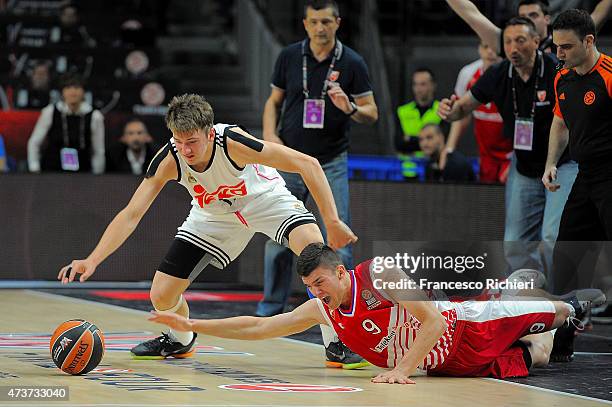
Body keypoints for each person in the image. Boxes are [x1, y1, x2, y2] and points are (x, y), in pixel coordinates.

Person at [57, 93, 357, 360]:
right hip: (213, 216)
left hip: (265, 201)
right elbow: (131, 214)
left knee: (317, 254)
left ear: (210, 134)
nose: (185, 150)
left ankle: (337, 342)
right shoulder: (170, 159)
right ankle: (180, 340)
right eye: (178, 141)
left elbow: (309, 164)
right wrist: (93, 259)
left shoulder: (234, 143)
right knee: (161, 295)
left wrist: (331, 219)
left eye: (192, 141)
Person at [148, 242, 605, 383]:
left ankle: (558, 303)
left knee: (553, 311)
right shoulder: (325, 309)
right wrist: (191, 323)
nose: (317, 293)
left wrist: (402, 370)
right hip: (445, 365)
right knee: (538, 357)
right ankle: (532, 310)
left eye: (321, 283)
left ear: (342, 272)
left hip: (461, 329)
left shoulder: (379, 274)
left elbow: (435, 321)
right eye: (309, 287)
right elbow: (261, 326)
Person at [258, 0, 378, 368]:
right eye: (314, 22)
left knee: (335, 239)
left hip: (331, 164)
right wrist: (268, 137)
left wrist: (350, 109)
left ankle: (347, 320)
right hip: (290, 161)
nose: (320, 28)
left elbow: (372, 113)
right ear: (305, 24)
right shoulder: (289, 57)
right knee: (278, 236)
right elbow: (273, 101)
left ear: (338, 23)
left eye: (327, 21)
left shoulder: (353, 63)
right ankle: (270, 311)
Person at [438, 17, 578, 281]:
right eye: (508, 42)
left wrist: (554, 162)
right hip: (524, 167)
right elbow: (463, 107)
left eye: (521, 41)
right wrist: (449, 110)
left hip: (562, 164)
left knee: (552, 237)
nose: (513, 48)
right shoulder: (499, 73)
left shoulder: (557, 71)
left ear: (537, 42)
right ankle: (526, 300)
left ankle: (566, 301)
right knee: (515, 242)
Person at [542, 10, 612, 359]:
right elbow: (560, 122)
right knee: (566, 260)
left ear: (589, 41)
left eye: (567, 47)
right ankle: (560, 345)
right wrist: (551, 162)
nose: (560, 54)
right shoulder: (563, 79)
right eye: (556, 47)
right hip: (586, 178)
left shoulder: (610, 76)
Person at [441, 43, 511, 184]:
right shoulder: (468, 74)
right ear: (479, 49)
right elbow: (461, 114)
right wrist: (449, 149)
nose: (490, 52)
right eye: (486, 47)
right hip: (486, 156)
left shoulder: (513, 74)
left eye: (495, 48)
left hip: (512, 155)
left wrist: (518, 161)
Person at [445, 0, 611, 58]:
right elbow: (471, 14)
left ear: (547, 19)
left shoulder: (567, 40)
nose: (527, 21)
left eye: (533, 15)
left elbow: (600, 13)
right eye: (522, 16)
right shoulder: (509, 43)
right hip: (524, 130)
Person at [27, 73, 105, 174]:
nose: (73, 91)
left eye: (77, 87)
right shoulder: (50, 111)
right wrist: (34, 168)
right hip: (51, 169)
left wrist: (98, 175)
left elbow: (98, 150)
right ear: (62, 92)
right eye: (68, 87)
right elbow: (34, 142)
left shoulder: (95, 116)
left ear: (83, 91)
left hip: (82, 172)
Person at [396, 68, 448, 179]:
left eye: (423, 84)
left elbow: (442, 143)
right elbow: (399, 143)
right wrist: (429, 142)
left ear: (433, 86)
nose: (418, 89)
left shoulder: (442, 109)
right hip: (408, 171)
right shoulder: (402, 111)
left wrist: (410, 139)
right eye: (415, 84)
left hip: (434, 170)